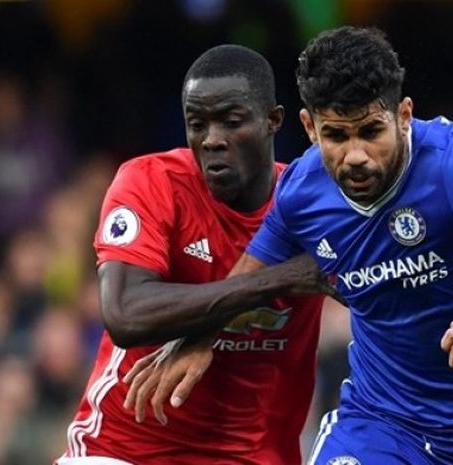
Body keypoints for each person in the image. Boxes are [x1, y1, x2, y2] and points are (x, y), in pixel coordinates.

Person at [129, 26, 453, 464]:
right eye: (336, 136)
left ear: (403, 114)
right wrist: (199, 339)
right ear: (308, 127)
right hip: (384, 427)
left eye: (371, 131)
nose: (356, 156)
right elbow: (251, 276)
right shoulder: (302, 193)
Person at [57, 44, 335, 465]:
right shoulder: (151, 182)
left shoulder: (312, 204)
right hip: (126, 446)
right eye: (197, 124)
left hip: (254, 454)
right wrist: (282, 277)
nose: (213, 141)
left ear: (273, 121)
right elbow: (126, 314)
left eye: (231, 121)